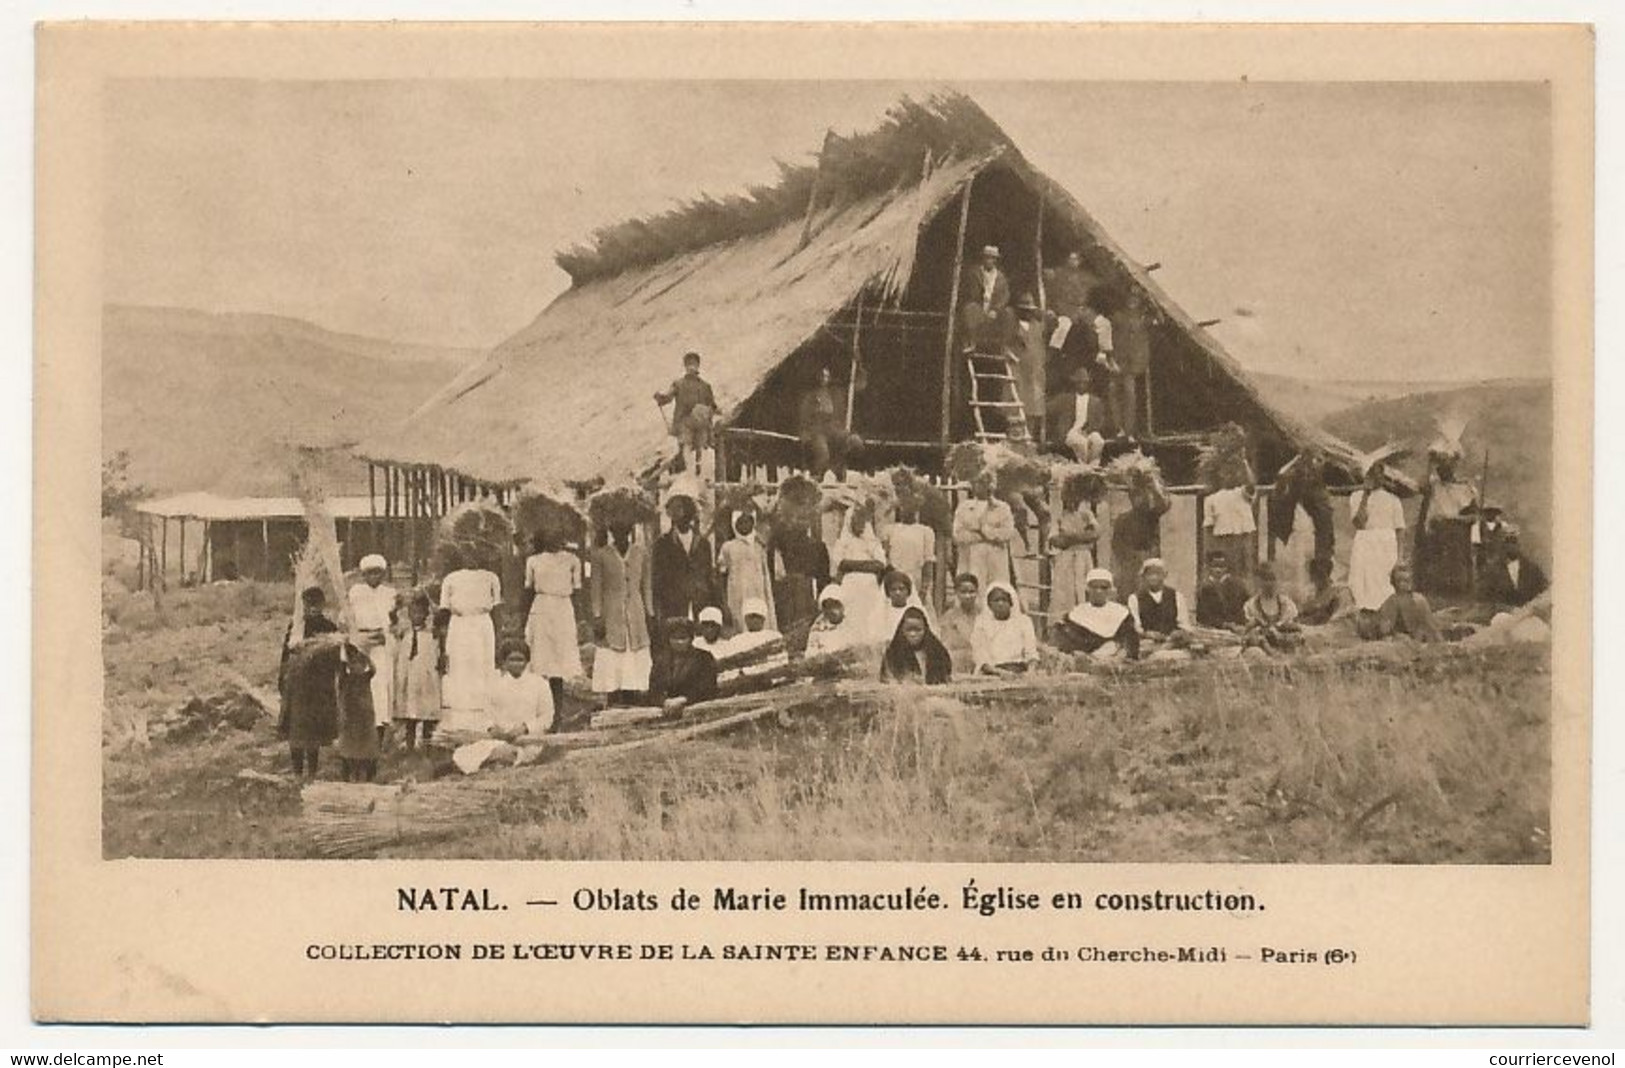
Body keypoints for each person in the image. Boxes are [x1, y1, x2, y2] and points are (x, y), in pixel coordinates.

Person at [277, 586, 343, 780]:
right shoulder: (296, 626)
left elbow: (335, 657)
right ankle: (297, 772)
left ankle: (312, 772)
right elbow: (285, 656)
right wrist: (282, 679)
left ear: (322, 605)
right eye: (309, 605)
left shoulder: (329, 628)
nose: (313, 609)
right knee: (296, 730)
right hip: (298, 684)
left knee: (314, 732)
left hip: (319, 685)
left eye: (317, 605)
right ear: (303, 606)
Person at [589, 519, 653, 707]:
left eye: (624, 529)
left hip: (635, 608)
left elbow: (646, 585)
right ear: (611, 531)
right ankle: (613, 696)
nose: (620, 533)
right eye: (616, 529)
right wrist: (598, 615)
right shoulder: (602, 555)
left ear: (629, 529)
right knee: (612, 651)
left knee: (634, 652)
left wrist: (649, 612)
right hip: (611, 610)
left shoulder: (641, 552)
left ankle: (632, 696)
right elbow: (596, 588)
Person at [520, 531, 583, 715]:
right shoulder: (533, 561)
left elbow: (578, 591)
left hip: (563, 608)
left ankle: (557, 713)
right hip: (542, 607)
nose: (554, 538)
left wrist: (580, 618)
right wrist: (523, 618)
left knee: (559, 661)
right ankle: (539, 710)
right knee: (540, 659)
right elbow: (528, 591)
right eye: (550, 533)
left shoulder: (572, 560)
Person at [438, 548, 502, 718]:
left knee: (482, 661)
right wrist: (441, 636)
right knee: (459, 661)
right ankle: (460, 707)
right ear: (461, 556)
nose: (472, 559)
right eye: (468, 554)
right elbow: (444, 609)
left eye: (477, 554)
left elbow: (497, 607)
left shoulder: (491, 577)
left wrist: (499, 632)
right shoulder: (451, 578)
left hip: (482, 623)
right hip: (459, 623)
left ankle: (483, 707)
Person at [347, 554, 398, 746]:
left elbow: (393, 621)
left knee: (380, 685)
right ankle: (357, 734)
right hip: (361, 642)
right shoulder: (356, 592)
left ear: (383, 574)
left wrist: (389, 632)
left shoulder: (389, 593)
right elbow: (347, 619)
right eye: (369, 573)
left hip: (381, 642)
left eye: (378, 573)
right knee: (359, 685)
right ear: (363, 575)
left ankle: (379, 735)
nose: (374, 577)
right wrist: (357, 639)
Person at [651, 493, 717, 630]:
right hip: (673, 604)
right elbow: (657, 578)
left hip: (700, 601)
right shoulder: (663, 543)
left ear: (689, 510)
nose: (676, 513)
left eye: (679, 507)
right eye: (672, 509)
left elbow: (709, 575)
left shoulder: (703, 544)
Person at [1349, 462, 1407, 613]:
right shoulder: (1356, 497)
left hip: (1385, 544)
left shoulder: (1393, 500)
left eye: (1378, 473)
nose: (1375, 477)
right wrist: (1365, 495)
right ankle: (1364, 614)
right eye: (1371, 473)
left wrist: (1400, 557)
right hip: (1364, 542)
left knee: (1382, 583)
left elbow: (1400, 530)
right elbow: (1359, 523)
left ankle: (1386, 614)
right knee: (1362, 582)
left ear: (1383, 476)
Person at [1110, 460, 1172, 597]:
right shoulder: (1122, 519)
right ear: (1131, 498)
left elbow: (1164, 503)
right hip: (1129, 565)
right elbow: (1117, 546)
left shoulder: (1152, 515)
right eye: (1136, 496)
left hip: (1149, 560)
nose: (1140, 499)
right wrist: (1130, 559)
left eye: (1143, 496)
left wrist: (1153, 484)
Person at [391, 590, 443, 750]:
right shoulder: (404, 632)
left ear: (426, 614)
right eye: (413, 613)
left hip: (425, 676)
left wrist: (428, 597)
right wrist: (397, 606)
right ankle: (410, 744)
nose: (416, 616)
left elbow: (440, 617)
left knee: (427, 710)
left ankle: (427, 743)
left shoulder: (432, 633)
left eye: (420, 613)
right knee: (410, 713)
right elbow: (392, 619)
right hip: (409, 676)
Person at [1049, 471, 1103, 621]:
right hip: (1066, 559)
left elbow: (1096, 534)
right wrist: (1080, 538)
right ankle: (1064, 622)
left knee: (1083, 588)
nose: (1071, 501)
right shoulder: (1059, 516)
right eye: (1067, 496)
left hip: (1083, 558)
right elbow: (1056, 540)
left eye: (1075, 497)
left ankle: (1086, 621)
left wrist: (1072, 537)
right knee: (1064, 592)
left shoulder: (1086, 514)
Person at [831, 503, 890, 642]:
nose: (858, 525)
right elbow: (840, 563)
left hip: (869, 588)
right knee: (851, 619)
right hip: (850, 587)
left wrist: (852, 565)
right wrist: (867, 565)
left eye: (861, 521)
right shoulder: (843, 542)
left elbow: (880, 564)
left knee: (869, 620)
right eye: (855, 521)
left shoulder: (872, 542)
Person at [1055, 569, 1140, 662]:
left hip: (1114, 662)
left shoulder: (1121, 613)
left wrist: (1119, 655)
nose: (1098, 591)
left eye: (1103, 587)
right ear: (1088, 589)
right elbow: (1067, 646)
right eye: (1094, 587)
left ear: (1110, 590)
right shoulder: (1075, 614)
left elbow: (1130, 643)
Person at [953, 472, 1019, 591]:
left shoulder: (1002, 508)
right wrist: (980, 537)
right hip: (971, 558)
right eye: (977, 483)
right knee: (973, 588)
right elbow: (958, 534)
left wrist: (984, 531)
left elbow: (1007, 533)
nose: (980, 486)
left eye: (984, 483)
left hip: (995, 559)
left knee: (996, 589)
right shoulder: (964, 507)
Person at [770, 511, 830, 640]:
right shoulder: (783, 545)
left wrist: (820, 596)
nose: (800, 523)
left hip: (809, 591)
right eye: (797, 519)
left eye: (804, 519)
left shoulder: (818, 546)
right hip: (788, 593)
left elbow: (823, 577)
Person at [653, 350, 716, 473]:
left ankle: (697, 468)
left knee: (698, 445)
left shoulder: (705, 386)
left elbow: (712, 405)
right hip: (685, 421)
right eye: (689, 364)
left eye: (694, 364)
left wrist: (707, 414)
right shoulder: (679, 384)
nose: (692, 367)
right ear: (686, 366)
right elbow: (668, 397)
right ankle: (690, 469)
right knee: (687, 444)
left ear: (697, 366)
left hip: (698, 422)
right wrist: (661, 398)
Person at [717, 510, 777, 634]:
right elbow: (722, 574)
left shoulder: (760, 546)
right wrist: (723, 600)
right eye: (741, 522)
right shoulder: (728, 547)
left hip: (758, 591)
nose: (745, 525)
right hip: (738, 593)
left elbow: (766, 573)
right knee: (740, 621)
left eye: (748, 521)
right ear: (735, 524)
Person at [648, 618, 719, 718]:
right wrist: (664, 701)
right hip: (666, 711)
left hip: (697, 711)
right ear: (668, 639)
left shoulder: (704, 658)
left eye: (683, 638)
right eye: (675, 638)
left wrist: (684, 699)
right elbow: (654, 689)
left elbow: (708, 687)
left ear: (691, 638)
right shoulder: (661, 661)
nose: (679, 642)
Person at [797, 365, 859, 480]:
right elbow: (804, 417)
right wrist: (805, 432)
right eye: (822, 376)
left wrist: (843, 431)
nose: (824, 379)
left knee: (852, 441)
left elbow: (837, 416)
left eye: (826, 376)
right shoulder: (810, 396)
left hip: (831, 429)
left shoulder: (834, 394)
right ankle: (817, 477)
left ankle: (839, 470)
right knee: (822, 454)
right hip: (817, 431)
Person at [332, 641, 381, 782]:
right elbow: (341, 666)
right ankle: (351, 773)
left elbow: (373, 669)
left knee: (365, 747)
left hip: (365, 717)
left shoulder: (365, 677)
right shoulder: (346, 678)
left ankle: (363, 774)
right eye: (353, 664)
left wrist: (365, 656)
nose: (357, 667)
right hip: (351, 716)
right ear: (349, 666)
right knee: (350, 747)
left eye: (359, 664)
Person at [488, 639, 556, 738]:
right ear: (504, 661)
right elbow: (487, 713)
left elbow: (547, 717)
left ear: (527, 661)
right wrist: (492, 728)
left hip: (530, 739)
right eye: (511, 660)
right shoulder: (495, 684)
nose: (516, 664)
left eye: (520, 660)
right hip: (500, 739)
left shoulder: (540, 684)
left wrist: (526, 728)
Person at [971, 581, 1041, 676]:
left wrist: (1031, 671)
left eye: (1004, 600)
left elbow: (1031, 651)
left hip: (1019, 670)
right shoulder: (981, 622)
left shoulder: (1024, 621)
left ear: (1011, 602)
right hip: (992, 672)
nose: (1000, 604)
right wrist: (1000, 672)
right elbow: (980, 656)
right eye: (996, 600)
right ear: (989, 604)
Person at [1126, 558, 1191, 660]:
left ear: (1165, 575)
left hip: (1172, 643)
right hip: (1147, 644)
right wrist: (1147, 634)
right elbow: (1135, 627)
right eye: (1149, 574)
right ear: (1143, 577)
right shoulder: (1134, 598)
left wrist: (1178, 633)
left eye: (1158, 573)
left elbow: (1184, 624)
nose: (1153, 577)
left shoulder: (1176, 596)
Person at [1045, 364, 1108, 463]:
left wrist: (1089, 430)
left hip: (1089, 431)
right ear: (1074, 383)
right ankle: (1083, 467)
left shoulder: (1095, 401)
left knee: (1098, 442)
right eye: (1079, 383)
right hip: (1071, 431)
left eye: (1084, 383)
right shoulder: (1066, 399)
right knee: (1081, 443)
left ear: (1088, 383)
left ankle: (1093, 465)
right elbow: (1048, 408)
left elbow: (1100, 421)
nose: (1081, 385)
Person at [882, 502, 937, 612]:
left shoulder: (925, 531)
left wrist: (925, 587)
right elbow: (885, 556)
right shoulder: (890, 529)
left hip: (916, 577)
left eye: (912, 509)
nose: (907, 512)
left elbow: (928, 561)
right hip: (895, 577)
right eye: (904, 508)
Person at [1113, 288, 1153, 437]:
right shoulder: (1118, 316)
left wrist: (1152, 303)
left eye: (1136, 299)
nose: (1132, 301)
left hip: (1133, 362)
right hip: (1118, 360)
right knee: (1114, 392)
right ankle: (1119, 428)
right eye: (1130, 298)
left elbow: (1161, 320)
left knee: (1129, 393)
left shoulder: (1143, 318)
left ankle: (1128, 429)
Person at [880, 606, 954, 685]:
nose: (913, 634)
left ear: (925, 630)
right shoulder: (892, 655)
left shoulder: (938, 653)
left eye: (918, 630)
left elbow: (947, 680)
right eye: (909, 630)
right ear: (902, 630)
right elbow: (888, 683)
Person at [1368, 564, 1443, 643]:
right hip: (1401, 640)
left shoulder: (1420, 600)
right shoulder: (1392, 602)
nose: (1402, 584)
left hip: (1419, 639)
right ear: (1393, 583)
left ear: (1411, 582)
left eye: (1406, 581)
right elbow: (1384, 629)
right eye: (1399, 581)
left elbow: (1431, 625)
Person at [958, 244, 1010, 354]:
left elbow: (1004, 296)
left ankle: (1004, 346)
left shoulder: (1001, 278)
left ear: (996, 260)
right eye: (987, 257)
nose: (989, 260)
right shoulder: (974, 273)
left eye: (992, 258)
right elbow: (968, 293)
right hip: (979, 308)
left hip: (994, 312)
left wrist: (995, 309)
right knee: (970, 308)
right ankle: (972, 342)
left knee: (1009, 313)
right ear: (983, 258)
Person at [1007, 293, 1048, 433]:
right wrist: (1011, 356)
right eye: (1024, 310)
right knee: (1016, 403)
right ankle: (1015, 435)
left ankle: (1029, 436)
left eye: (1030, 310)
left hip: (1035, 371)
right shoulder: (1013, 326)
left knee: (1033, 406)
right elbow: (1004, 345)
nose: (1027, 313)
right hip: (1018, 369)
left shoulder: (1038, 326)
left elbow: (1053, 323)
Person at [1241, 563, 1302, 653]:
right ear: (1259, 581)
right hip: (1261, 648)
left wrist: (1283, 628)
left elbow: (1296, 627)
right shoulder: (1251, 605)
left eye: (1272, 579)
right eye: (1265, 579)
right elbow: (1248, 629)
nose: (1269, 583)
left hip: (1286, 645)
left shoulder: (1287, 603)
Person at [1203, 483, 1258, 582]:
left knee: (1244, 569)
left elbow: (1251, 490)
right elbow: (1208, 528)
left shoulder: (1242, 494)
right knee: (1226, 569)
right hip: (1223, 541)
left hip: (1242, 539)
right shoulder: (1210, 499)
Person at [1043, 249, 1096, 351]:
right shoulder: (1059, 273)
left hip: (1073, 311)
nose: (1073, 261)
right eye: (1071, 258)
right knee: (1061, 323)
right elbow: (1050, 292)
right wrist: (1050, 308)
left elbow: (1082, 298)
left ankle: (1053, 350)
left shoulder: (1082, 278)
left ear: (1079, 261)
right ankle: (1052, 349)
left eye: (1075, 259)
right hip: (1057, 308)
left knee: (1066, 324)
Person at [1481, 530, 1548, 607]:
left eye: (1514, 542)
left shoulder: (1532, 568)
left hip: (1528, 613)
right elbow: (1485, 598)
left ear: (1519, 544)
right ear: (1503, 546)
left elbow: (1544, 590)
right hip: (1502, 615)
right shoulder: (1493, 571)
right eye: (1508, 543)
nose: (1511, 546)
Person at [937, 572, 982, 674]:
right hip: (958, 661)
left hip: (982, 660)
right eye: (963, 592)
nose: (968, 596)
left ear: (977, 592)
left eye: (972, 592)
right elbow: (946, 643)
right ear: (956, 592)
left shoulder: (983, 614)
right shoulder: (949, 617)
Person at [1195, 551, 1250, 629]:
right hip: (1213, 629)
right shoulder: (1205, 589)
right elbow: (1202, 616)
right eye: (1215, 566)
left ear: (1227, 567)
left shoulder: (1237, 586)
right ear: (1209, 567)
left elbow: (1245, 606)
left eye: (1222, 566)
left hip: (1237, 628)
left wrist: (1237, 623)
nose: (1218, 570)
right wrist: (1223, 624)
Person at [1298, 556, 1357, 626]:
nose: (1313, 578)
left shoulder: (1340, 591)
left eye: (1321, 574)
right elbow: (1307, 611)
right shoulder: (1311, 594)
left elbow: (1343, 614)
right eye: (1313, 574)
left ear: (1328, 574)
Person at [804, 585, 859, 658]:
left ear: (842, 607)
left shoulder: (850, 627)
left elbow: (855, 649)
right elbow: (810, 654)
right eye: (829, 606)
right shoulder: (818, 629)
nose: (833, 611)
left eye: (836, 606)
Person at [877, 569, 928, 641]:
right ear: (888, 593)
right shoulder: (883, 612)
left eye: (901, 589)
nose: (897, 593)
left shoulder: (916, 611)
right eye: (893, 589)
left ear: (908, 591)